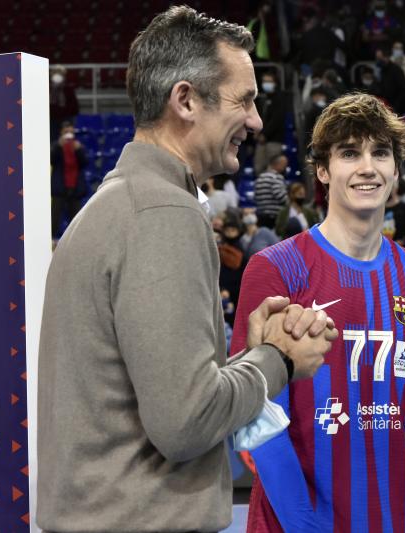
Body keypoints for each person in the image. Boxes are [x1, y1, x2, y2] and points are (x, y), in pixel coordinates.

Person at [36, 7, 338, 532]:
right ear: (186, 100)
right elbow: (186, 422)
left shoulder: (112, 204)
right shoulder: (164, 213)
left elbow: (155, 398)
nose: (256, 120)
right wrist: (278, 360)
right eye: (244, 100)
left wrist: (245, 356)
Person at [232, 93, 405, 532]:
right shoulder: (275, 268)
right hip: (293, 523)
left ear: (396, 169)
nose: (367, 167)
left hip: (395, 520)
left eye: (380, 153)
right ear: (322, 169)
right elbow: (257, 420)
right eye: (350, 153)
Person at [50, 122, 88, 239]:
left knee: (76, 221)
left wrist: (79, 150)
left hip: (75, 188)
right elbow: (51, 159)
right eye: (66, 132)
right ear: (61, 133)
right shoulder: (56, 146)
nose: (69, 135)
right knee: (54, 220)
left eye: (71, 132)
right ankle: (49, 242)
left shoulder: (78, 146)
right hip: (60, 188)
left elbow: (85, 163)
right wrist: (58, 146)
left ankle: (76, 243)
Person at [254, 153, 289, 228]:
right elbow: (281, 197)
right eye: (284, 164)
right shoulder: (277, 177)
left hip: (261, 216)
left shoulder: (260, 177)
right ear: (278, 164)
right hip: (274, 218)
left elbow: (256, 197)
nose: (285, 167)